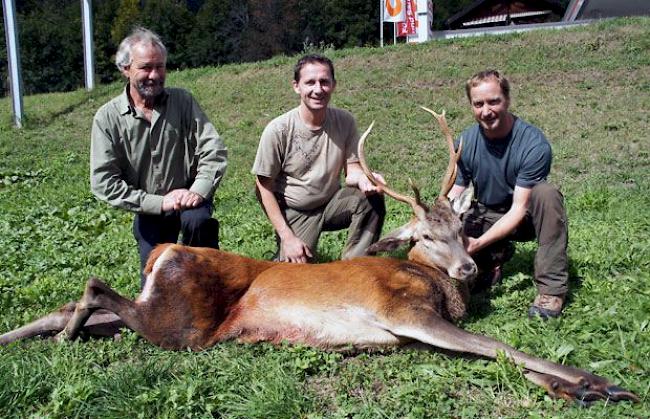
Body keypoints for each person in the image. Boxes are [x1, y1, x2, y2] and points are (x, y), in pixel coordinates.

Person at [90, 28, 227, 286]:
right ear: (125, 69)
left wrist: (197, 191)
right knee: (155, 285)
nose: (154, 75)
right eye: (145, 67)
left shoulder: (183, 101)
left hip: (190, 199)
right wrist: (158, 202)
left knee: (199, 224)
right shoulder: (107, 118)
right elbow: (103, 182)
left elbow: (213, 150)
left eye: (160, 67)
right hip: (149, 208)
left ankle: (211, 288)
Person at [448, 69, 568, 319]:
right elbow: (456, 191)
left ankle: (551, 289)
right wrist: (435, 219)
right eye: (478, 104)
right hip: (487, 213)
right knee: (459, 232)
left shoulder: (533, 144)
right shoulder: (465, 142)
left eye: (494, 101)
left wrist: (477, 243)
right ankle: (494, 259)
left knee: (547, 194)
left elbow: (518, 208)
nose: (486, 111)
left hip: (525, 219)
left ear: (507, 100)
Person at [252, 54, 386, 263]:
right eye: (310, 82)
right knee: (294, 280)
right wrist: (287, 237)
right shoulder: (278, 130)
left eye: (324, 82)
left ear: (333, 85)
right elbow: (263, 188)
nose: (318, 89)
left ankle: (358, 268)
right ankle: (285, 248)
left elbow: (353, 171)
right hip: (295, 210)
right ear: (296, 86)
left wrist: (364, 179)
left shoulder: (345, 121)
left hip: (331, 203)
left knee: (371, 199)